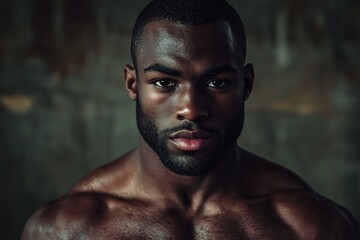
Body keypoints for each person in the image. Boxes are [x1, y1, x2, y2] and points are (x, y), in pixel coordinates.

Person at [22, 0, 360, 239]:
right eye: (165, 83)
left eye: (216, 83)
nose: (192, 109)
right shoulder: (64, 230)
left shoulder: (309, 227)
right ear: (132, 84)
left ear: (247, 84)